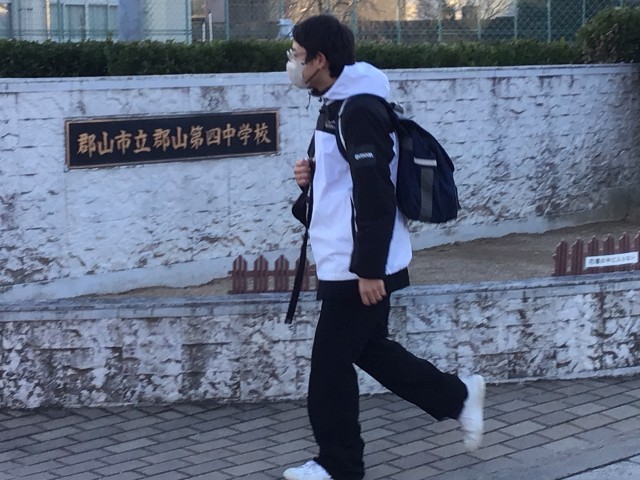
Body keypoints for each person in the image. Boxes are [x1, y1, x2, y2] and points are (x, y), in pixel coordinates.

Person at [284, 14, 485, 480]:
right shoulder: (335, 105)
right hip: (349, 256)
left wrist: (369, 269)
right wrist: (310, 180)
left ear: (320, 60)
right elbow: (346, 182)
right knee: (371, 350)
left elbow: (375, 192)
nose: (292, 63)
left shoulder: (359, 109)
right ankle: (458, 397)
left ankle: (338, 465)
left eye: (297, 55)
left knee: (329, 369)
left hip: (359, 264)